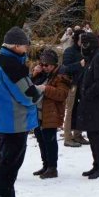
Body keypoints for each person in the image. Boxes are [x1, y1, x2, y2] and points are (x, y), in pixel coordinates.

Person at [0, 27, 42, 197]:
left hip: (5, 121)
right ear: (16, 45)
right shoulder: (11, 65)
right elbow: (28, 95)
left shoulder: (0, 60)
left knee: (7, 166)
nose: (27, 48)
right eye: (25, 44)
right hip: (13, 123)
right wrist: (40, 90)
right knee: (7, 169)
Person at [72, 33, 99, 179]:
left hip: (96, 104)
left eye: (84, 43)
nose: (82, 46)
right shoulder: (93, 57)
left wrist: (87, 93)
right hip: (90, 104)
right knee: (92, 134)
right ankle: (97, 164)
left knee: (96, 135)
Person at [30, 49, 71, 179]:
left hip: (51, 113)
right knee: (41, 140)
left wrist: (45, 89)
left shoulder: (61, 76)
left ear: (53, 65)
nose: (44, 67)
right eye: (41, 64)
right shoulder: (43, 74)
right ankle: (46, 165)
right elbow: (29, 87)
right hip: (38, 112)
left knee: (50, 141)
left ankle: (52, 168)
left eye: (46, 65)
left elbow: (62, 94)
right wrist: (35, 74)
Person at [60, 29, 88, 147]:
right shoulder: (69, 51)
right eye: (82, 38)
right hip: (73, 85)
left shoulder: (84, 51)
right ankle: (67, 137)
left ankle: (78, 134)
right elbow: (64, 69)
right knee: (70, 110)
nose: (84, 41)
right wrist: (79, 64)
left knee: (81, 110)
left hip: (83, 84)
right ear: (77, 39)